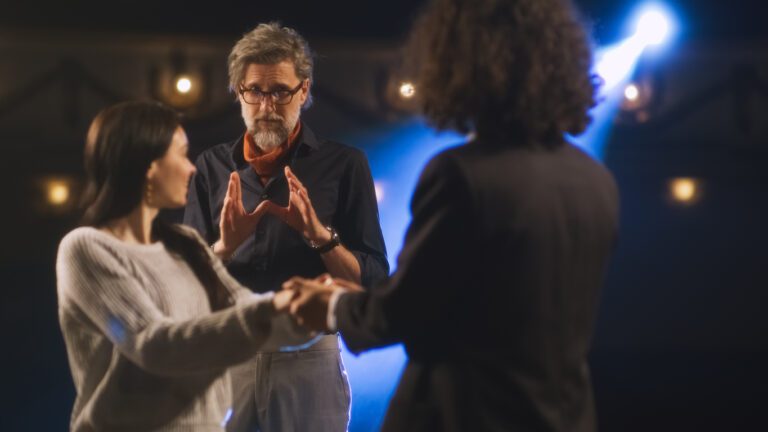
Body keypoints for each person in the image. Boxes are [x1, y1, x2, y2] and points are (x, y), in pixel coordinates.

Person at [283, 0, 620, 431]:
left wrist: (332, 305)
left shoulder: (462, 175)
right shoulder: (596, 181)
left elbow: (401, 313)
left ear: (462, 63)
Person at [56, 101, 311, 432]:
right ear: (148, 164)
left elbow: (247, 308)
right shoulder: (86, 248)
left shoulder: (187, 244)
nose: (191, 168)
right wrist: (276, 308)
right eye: (181, 153)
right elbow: (152, 344)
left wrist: (312, 306)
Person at [183, 23, 389, 431]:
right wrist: (225, 247)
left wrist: (320, 237)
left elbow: (374, 281)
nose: (266, 105)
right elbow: (183, 284)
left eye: (280, 91)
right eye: (254, 91)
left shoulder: (344, 165)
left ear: (304, 91)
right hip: (229, 352)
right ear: (238, 91)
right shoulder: (210, 167)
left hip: (309, 357)